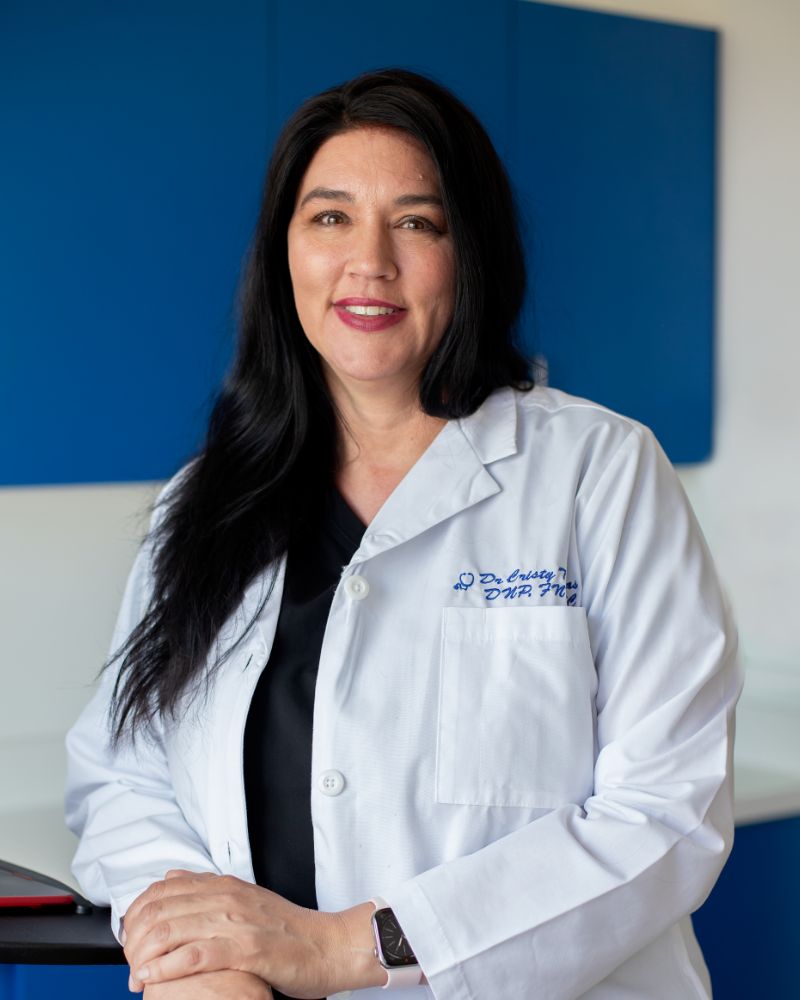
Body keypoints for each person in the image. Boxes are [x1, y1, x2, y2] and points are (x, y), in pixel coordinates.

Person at [64, 68, 740, 999]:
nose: (369, 262)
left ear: (471, 254)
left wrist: (353, 947)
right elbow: (121, 780)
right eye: (330, 218)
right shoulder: (202, 505)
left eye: (417, 222)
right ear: (283, 253)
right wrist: (200, 959)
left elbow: (666, 816)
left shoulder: (599, 472)